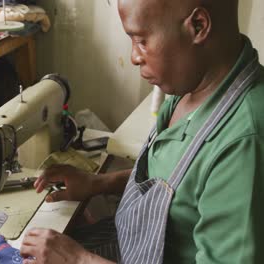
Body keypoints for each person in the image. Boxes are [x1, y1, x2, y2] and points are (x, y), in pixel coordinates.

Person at [20, 0, 264, 263]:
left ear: (198, 26)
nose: (134, 56)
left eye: (141, 40)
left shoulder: (243, 141)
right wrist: (99, 184)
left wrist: (80, 260)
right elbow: (176, 185)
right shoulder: (193, 86)